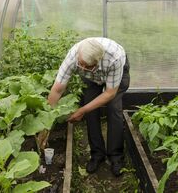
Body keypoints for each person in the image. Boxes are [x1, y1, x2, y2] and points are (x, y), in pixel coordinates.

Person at [47, 37, 130, 177]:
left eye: (88, 66)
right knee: (91, 112)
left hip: (116, 75)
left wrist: (82, 110)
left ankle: (116, 157)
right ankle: (97, 155)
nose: (83, 68)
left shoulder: (114, 58)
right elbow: (57, 90)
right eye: (81, 65)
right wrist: (47, 119)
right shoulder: (73, 57)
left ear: (98, 60)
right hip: (91, 79)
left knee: (114, 110)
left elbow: (110, 93)